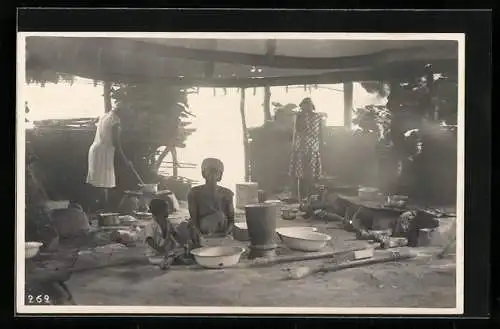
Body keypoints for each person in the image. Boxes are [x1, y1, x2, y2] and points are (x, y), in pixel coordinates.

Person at [86, 107, 130, 211]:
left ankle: (96, 211)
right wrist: (125, 161)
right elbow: (116, 143)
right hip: (103, 153)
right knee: (104, 185)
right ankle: (104, 212)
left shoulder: (105, 116)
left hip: (95, 150)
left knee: (98, 184)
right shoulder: (115, 122)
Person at [187, 158, 235, 238]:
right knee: (218, 216)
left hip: (222, 232)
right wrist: (200, 235)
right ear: (203, 173)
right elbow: (194, 220)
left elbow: (231, 220)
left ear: (220, 175)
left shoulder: (227, 193)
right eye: (210, 171)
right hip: (203, 232)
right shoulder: (194, 193)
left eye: (216, 171)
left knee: (220, 216)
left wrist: (226, 233)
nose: (213, 174)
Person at [145, 198, 199, 269]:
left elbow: (176, 235)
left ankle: (174, 259)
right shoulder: (151, 225)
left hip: (167, 253)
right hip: (154, 255)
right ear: (160, 211)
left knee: (182, 254)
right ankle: (172, 261)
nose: (169, 211)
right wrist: (160, 250)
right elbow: (149, 240)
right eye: (167, 209)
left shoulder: (168, 223)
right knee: (171, 260)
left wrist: (186, 244)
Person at [289, 97, 324, 200]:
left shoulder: (317, 117)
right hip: (303, 147)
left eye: (308, 106)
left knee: (308, 174)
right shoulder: (299, 116)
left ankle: (308, 197)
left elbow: (320, 132)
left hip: (311, 147)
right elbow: (296, 132)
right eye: (305, 106)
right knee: (302, 174)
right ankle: (303, 198)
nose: (306, 108)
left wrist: (321, 144)